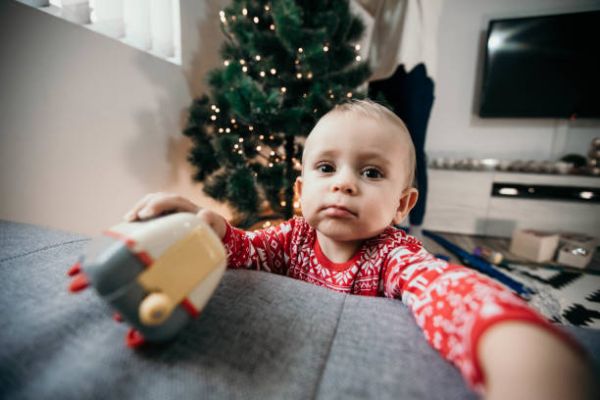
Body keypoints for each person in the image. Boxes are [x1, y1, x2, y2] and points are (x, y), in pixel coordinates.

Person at [125, 99, 594, 399]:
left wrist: (503, 337)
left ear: (402, 205)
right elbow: (243, 250)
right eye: (327, 167)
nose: (345, 184)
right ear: (298, 192)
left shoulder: (393, 254)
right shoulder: (290, 239)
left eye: (371, 173)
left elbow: (440, 288)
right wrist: (203, 226)